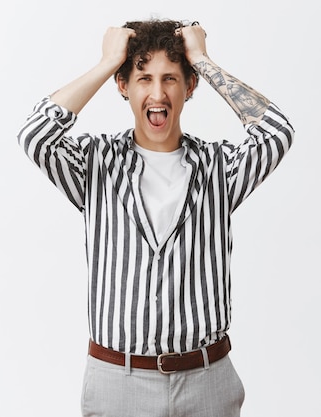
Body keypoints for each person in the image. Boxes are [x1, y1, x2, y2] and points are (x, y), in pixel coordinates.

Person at [16, 19, 294, 417]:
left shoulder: (220, 168)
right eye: (144, 78)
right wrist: (107, 62)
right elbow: (35, 133)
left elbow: (276, 132)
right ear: (123, 86)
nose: (158, 93)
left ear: (190, 86)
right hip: (118, 382)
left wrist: (202, 59)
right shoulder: (94, 164)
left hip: (207, 382)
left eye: (171, 78)